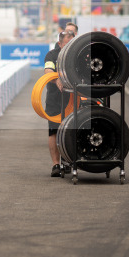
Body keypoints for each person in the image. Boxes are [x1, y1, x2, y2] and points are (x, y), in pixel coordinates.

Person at [44, 30, 75, 177]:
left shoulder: (77, 55)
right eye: (66, 44)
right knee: (54, 131)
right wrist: (57, 79)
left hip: (73, 99)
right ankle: (56, 165)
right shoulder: (52, 55)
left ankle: (68, 160)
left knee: (72, 129)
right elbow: (48, 70)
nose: (69, 47)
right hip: (55, 99)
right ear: (59, 44)